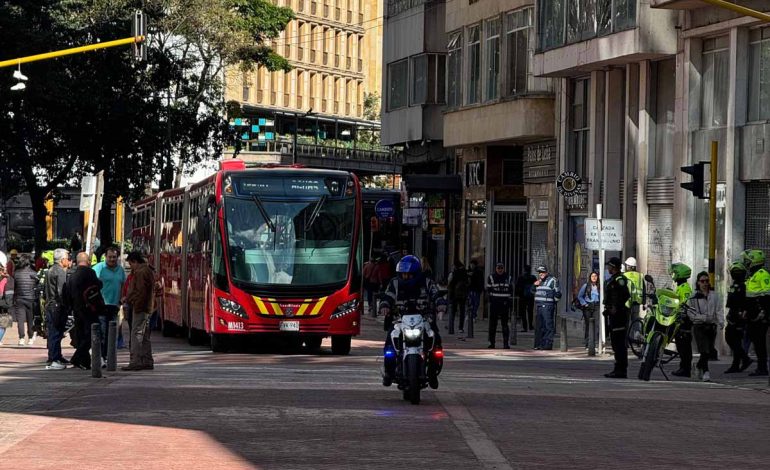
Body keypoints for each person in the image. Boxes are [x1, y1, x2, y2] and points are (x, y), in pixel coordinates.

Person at [379, 255, 446, 389]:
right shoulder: (394, 283)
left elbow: (435, 293)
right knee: (389, 344)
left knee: (436, 342)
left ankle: (432, 373)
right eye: (403, 274)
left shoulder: (427, 282)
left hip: (424, 318)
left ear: (416, 274)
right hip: (400, 319)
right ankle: (389, 372)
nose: (405, 277)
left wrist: (440, 303)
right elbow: (388, 295)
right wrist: (385, 304)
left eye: (409, 275)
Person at [63, 252, 104, 370]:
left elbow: (67, 293)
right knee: (93, 334)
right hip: (90, 308)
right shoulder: (90, 273)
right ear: (89, 261)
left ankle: (84, 362)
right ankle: (77, 357)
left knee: (81, 335)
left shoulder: (72, 275)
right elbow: (98, 285)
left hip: (76, 309)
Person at [687, 272, 723, 382]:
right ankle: (706, 372)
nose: (705, 283)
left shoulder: (715, 296)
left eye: (707, 281)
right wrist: (702, 318)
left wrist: (721, 322)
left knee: (710, 350)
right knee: (704, 350)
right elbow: (690, 313)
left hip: (711, 326)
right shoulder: (693, 297)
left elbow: (719, 310)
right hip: (699, 327)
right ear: (698, 283)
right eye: (702, 281)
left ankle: (698, 366)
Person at [122, 251, 155, 371]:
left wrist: (130, 300)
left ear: (135, 262)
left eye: (130, 264)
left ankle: (135, 361)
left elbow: (139, 291)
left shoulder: (140, 272)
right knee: (144, 334)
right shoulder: (147, 270)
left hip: (140, 308)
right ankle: (147, 360)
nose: (130, 266)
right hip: (146, 307)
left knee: (136, 334)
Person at [93, 246, 127, 363]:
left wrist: (122, 299)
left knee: (111, 332)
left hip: (114, 305)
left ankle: (108, 356)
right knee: (102, 331)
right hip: (102, 305)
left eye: (114, 257)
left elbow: (123, 284)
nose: (112, 259)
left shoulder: (120, 270)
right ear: (105, 257)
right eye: (110, 257)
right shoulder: (98, 268)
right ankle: (101, 356)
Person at [742, 249, 770, 376]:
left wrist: (763, 311)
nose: (746, 263)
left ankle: (762, 368)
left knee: (760, 342)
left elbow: (767, 295)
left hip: (760, 315)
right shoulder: (752, 275)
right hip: (753, 314)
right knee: (756, 341)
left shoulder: (763, 274)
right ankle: (760, 367)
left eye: (747, 260)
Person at [43, 249, 71, 370]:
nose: (68, 261)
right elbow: (61, 291)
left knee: (54, 332)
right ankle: (54, 358)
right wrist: (65, 304)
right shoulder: (60, 271)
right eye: (67, 258)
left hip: (50, 304)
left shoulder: (50, 270)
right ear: (62, 260)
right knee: (56, 332)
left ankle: (56, 356)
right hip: (57, 305)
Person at [603, 258, 631, 378]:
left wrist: (615, 308)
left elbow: (624, 295)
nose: (608, 269)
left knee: (619, 344)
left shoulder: (620, 280)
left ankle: (621, 370)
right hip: (613, 314)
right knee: (615, 343)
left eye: (609, 266)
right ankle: (618, 368)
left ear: (613, 267)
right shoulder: (613, 279)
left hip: (619, 315)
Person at [724, 261, 753, 373]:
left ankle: (744, 359)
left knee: (733, 339)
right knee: (733, 339)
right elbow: (730, 303)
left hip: (739, 317)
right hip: (733, 315)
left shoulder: (745, 286)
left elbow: (746, 302)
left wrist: (743, 313)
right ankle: (736, 364)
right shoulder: (734, 286)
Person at [669, 262, 694, 377]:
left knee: (684, 345)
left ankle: (685, 368)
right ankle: (683, 367)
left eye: (674, 273)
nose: (672, 274)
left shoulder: (685, 288)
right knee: (680, 344)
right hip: (679, 319)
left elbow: (685, 303)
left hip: (684, 320)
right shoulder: (680, 287)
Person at [532, 265, 561, 350]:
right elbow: (531, 291)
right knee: (539, 326)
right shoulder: (538, 281)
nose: (541, 274)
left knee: (548, 326)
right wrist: (534, 285)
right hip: (538, 306)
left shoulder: (553, 280)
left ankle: (547, 345)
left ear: (546, 272)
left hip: (547, 306)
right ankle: (538, 344)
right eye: (539, 272)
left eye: (542, 272)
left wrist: (552, 302)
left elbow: (558, 294)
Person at [12, 254, 38, 346]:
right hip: (31, 299)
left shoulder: (16, 273)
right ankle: (30, 338)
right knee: (30, 320)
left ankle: (21, 338)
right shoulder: (34, 273)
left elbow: (14, 287)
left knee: (20, 320)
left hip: (19, 299)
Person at [487, 262, 512, 349]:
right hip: (495, 304)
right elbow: (488, 290)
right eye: (498, 268)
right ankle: (492, 343)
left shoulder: (508, 278)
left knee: (504, 325)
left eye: (501, 268)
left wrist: (509, 303)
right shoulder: (491, 277)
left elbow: (511, 290)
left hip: (504, 304)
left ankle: (506, 343)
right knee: (492, 325)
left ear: (504, 269)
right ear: (496, 268)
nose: (500, 270)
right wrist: (490, 302)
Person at [577, 271, 601, 349]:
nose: (594, 277)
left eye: (595, 276)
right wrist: (585, 304)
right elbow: (579, 296)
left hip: (596, 306)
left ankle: (593, 344)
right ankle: (587, 344)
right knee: (588, 325)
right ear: (590, 277)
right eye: (592, 276)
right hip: (587, 307)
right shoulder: (586, 285)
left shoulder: (599, 286)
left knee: (596, 325)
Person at [447, 260, 469, 335]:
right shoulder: (464, 273)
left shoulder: (454, 273)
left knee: (452, 311)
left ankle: (451, 327)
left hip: (454, 295)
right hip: (462, 295)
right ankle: (460, 328)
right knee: (462, 311)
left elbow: (450, 284)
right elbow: (468, 283)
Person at [515, 265, 536, 332]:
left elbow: (517, 287)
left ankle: (525, 327)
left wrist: (518, 294)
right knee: (530, 312)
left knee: (523, 312)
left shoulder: (521, 277)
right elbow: (536, 286)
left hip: (522, 297)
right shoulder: (533, 277)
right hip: (531, 297)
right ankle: (530, 326)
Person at [0, 259, 14, 346]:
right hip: (3, 305)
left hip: (3, 306)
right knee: (3, 323)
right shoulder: (7, 281)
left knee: (3, 323)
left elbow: (8, 301)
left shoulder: (7, 281)